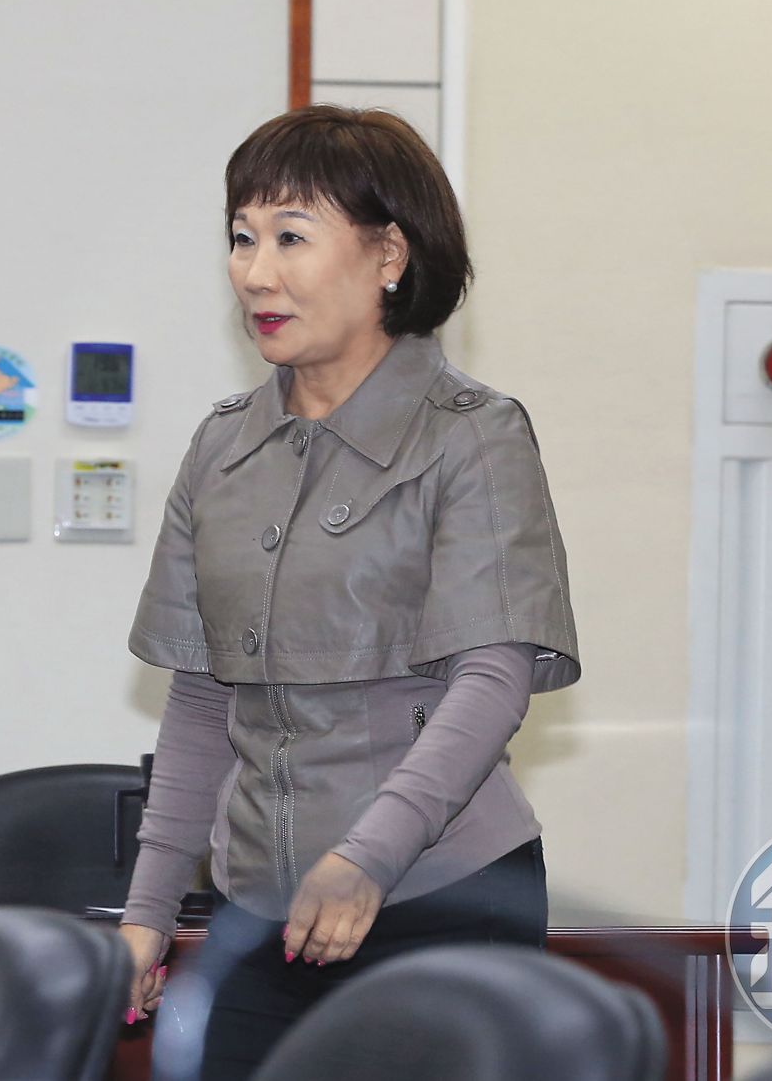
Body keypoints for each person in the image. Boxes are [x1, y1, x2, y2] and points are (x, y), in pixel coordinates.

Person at [116, 105, 581, 1079]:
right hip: (259, 916)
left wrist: (366, 857)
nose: (255, 273)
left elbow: (490, 681)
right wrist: (147, 912)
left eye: (291, 237)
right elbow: (201, 699)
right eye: (242, 237)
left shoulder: (472, 435)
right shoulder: (221, 447)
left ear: (388, 257)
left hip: (441, 903)